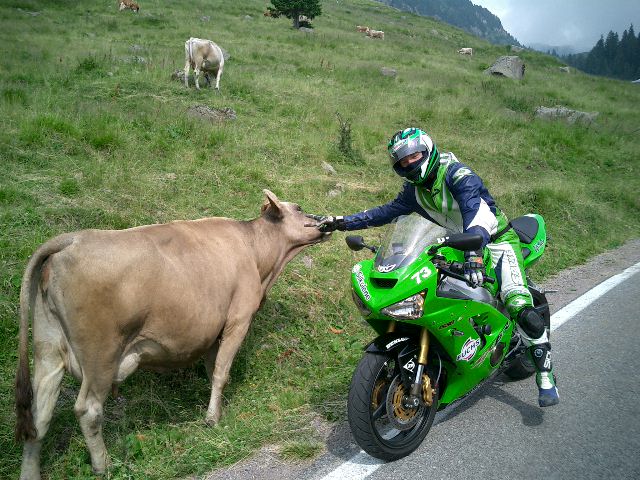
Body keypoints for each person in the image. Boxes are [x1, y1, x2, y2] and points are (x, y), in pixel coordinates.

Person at [317, 127, 559, 407]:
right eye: (402, 161)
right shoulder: (415, 190)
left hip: (493, 240)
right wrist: (342, 222)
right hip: (455, 242)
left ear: (428, 151)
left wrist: (474, 254)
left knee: (518, 304)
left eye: (414, 156)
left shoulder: (457, 174)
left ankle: (546, 375)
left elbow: (475, 212)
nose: (409, 163)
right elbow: (386, 212)